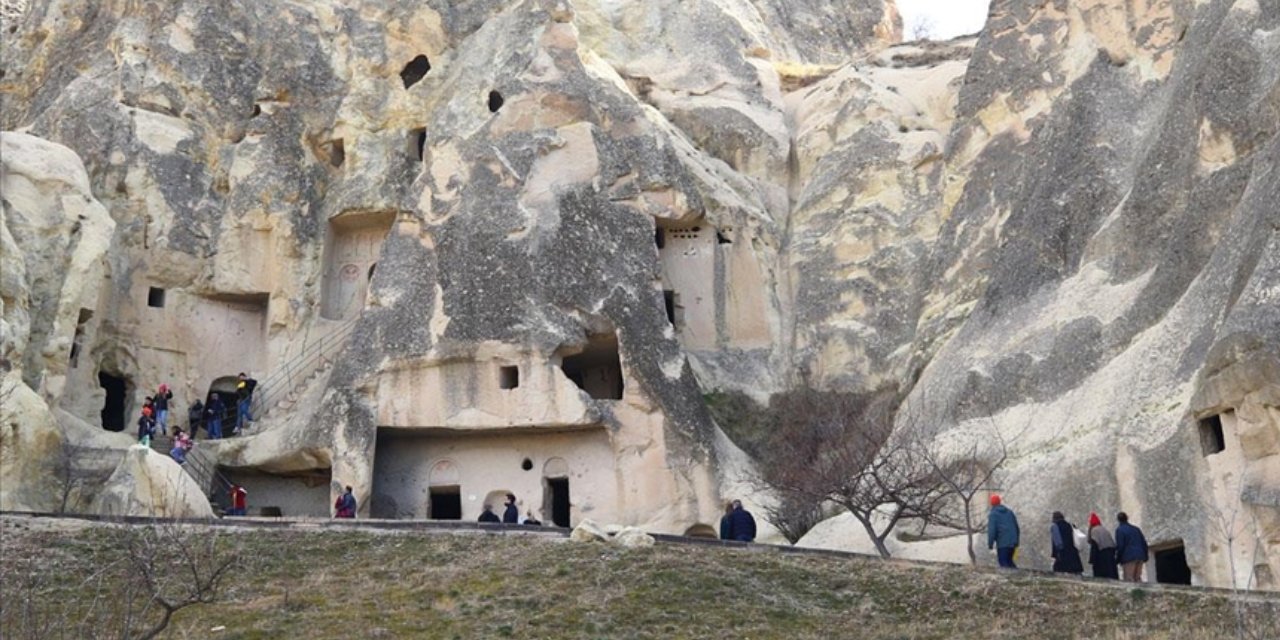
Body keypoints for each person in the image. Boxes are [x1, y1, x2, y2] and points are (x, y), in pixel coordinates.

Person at [987, 494, 1021, 568]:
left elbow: (992, 531)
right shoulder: (1009, 512)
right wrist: (1016, 541)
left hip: (1003, 543)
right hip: (1012, 542)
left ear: (991, 503)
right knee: (1009, 561)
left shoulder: (993, 514)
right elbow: (1017, 528)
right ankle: (1016, 576)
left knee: (1003, 563)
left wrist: (990, 544)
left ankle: (1011, 578)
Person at [1114, 512, 1149, 582]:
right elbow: (1144, 543)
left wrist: (1118, 559)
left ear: (1118, 520)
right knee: (1138, 578)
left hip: (1128, 557)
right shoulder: (1136, 529)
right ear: (1127, 518)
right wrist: (1145, 555)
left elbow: (1121, 546)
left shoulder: (1120, 530)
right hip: (1140, 555)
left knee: (1129, 579)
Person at [1087, 512, 1119, 579]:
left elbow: (1094, 545)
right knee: (1111, 574)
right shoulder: (1104, 529)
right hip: (1110, 555)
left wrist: (1092, 559)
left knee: (1102, 576)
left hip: (1102, 556)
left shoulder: (1094, 530)